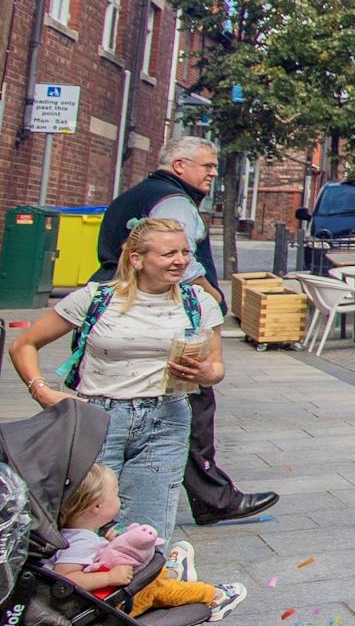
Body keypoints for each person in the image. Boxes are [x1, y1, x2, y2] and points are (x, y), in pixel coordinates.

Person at [95, 136, 276, 527]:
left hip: (127, 305)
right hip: (164, 312)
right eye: (207, 166)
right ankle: (209, 498)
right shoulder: (174, 201)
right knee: (191, 396)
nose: (213, 173)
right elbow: (180, 258)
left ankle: (207, 495)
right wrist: (211, 293)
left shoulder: (137, 195)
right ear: (179, 165)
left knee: (159, 400)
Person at [8, 215, 225, 537]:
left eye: (184, 252)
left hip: (166, 418)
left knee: (148, 532)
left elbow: (216, 368)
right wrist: (42, 391)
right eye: (169, 254)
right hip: (98, 417)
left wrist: (206, 372)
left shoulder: (199, 303)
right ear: (137, 259)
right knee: (86, 524)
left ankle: (143, 585)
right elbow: (24, 344)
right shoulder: (96, 298)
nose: (180, 261)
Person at [51, 464, 242, 620]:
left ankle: (172, 573)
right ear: (97, 506)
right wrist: (109, 578)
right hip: (106, 606)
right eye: (116, 495)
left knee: (150, 572)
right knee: (157, 590)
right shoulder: (82, 541)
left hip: (99, 597)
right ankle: (212, 597)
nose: (118, 499)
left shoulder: (74, 534)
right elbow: (65, 579)